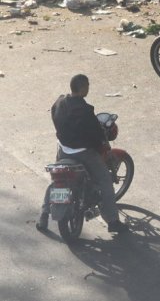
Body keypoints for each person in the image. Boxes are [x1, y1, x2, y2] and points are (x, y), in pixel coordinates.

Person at [36, 74, 128, 234]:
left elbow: (54, 116)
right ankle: (112, 221)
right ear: (83, 88)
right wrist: (102, 143)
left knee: (58, 179)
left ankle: (44, 214)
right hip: (82, 153)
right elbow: (96, 134)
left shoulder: (60, 102)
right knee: (105, 180)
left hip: (63, 149)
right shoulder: (86, 111)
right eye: (88, 86)